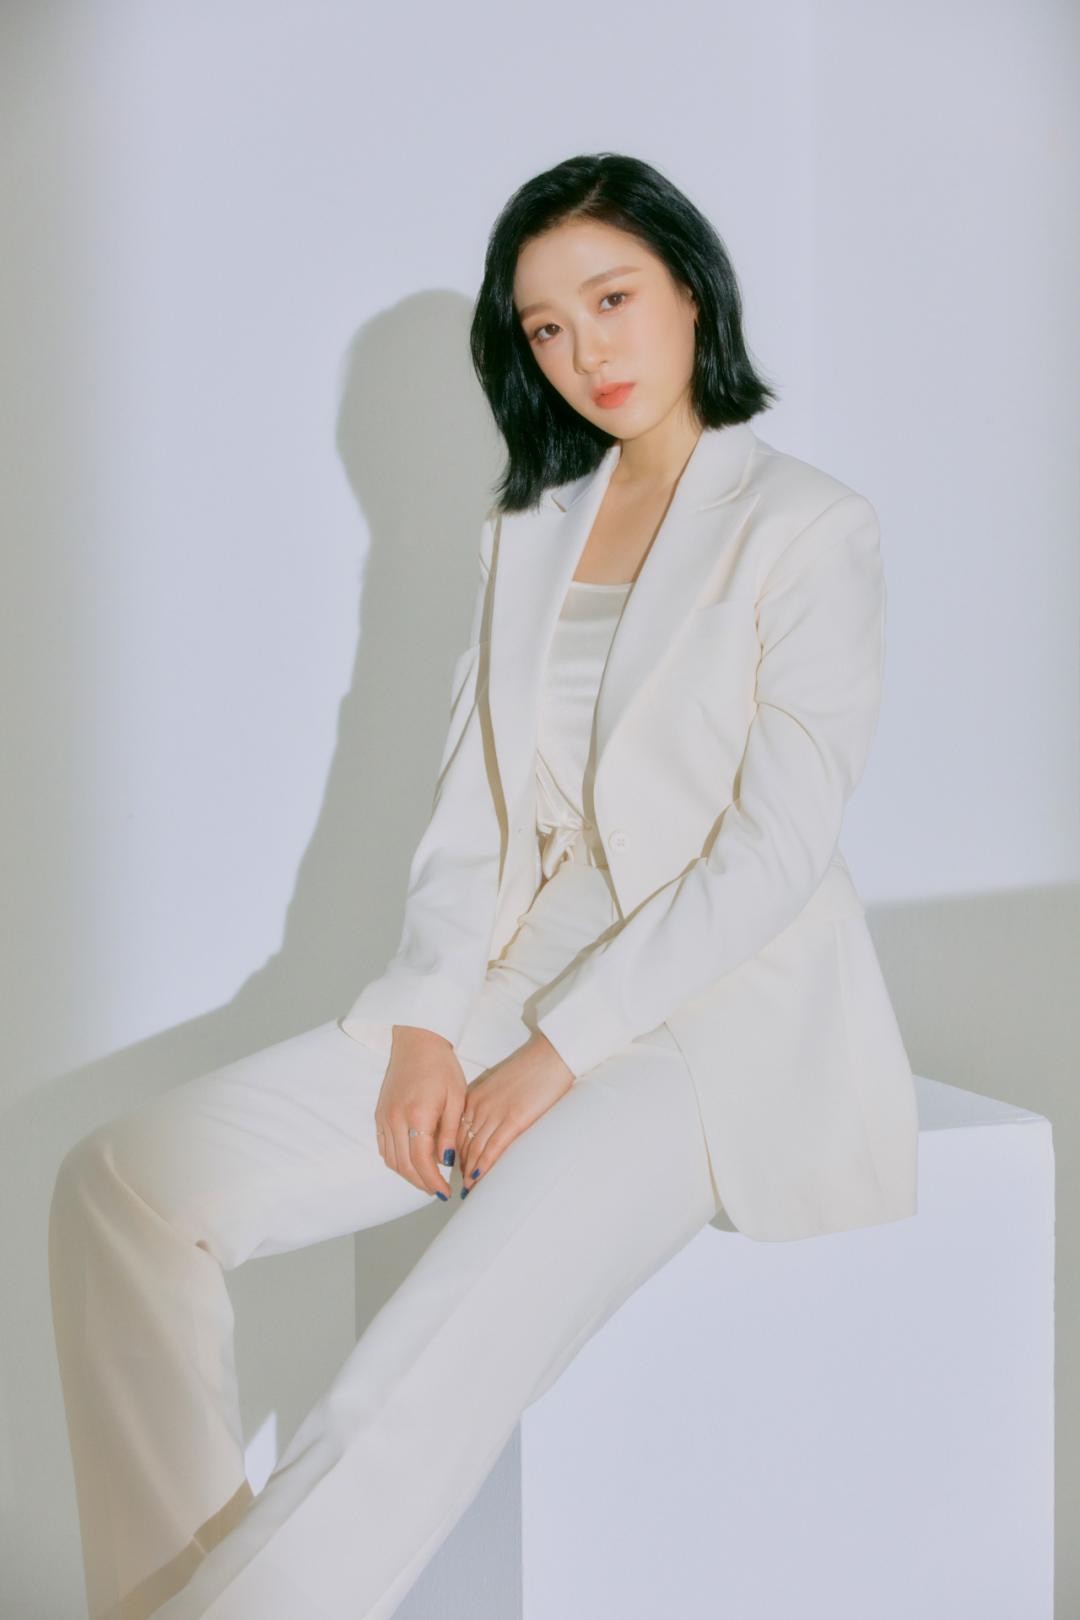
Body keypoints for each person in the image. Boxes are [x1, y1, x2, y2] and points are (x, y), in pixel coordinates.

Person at [48, 151, 918, 1620]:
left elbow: (772, 853)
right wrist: (425, 1025)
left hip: (705, 1022)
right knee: (125, 1187)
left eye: (612, 299)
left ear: (692, 288)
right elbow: (471, 815)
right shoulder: (530, 528)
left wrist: (559, 1050)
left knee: (418, 1372)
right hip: (512, 971)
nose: (586, 352)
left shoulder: (809, 527)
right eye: (546, 328)